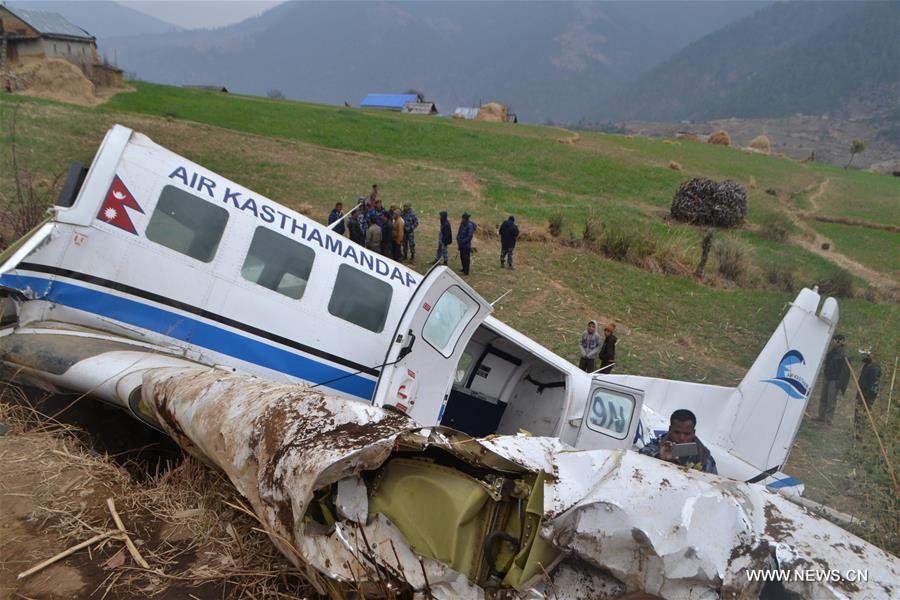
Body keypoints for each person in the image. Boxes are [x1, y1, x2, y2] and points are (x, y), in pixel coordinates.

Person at [639, 409, 718, 474]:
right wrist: (659, 456)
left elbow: (714, 485)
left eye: (687, 434)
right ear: (670, 430)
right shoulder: (657, 446)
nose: (681, 438)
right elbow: (638, 458)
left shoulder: (704, 457)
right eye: (677, 432)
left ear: (693, 433)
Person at [816, 334, 848, 424]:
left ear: (839, 342)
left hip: (835, 380)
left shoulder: (843, 354)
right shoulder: (831, 352)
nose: (832, 342)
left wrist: (839, 383)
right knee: (823, 397)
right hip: (827, 377)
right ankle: (821, 416)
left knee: (831, 399)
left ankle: (829, 418)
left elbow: (844, 371)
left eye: (834, 340)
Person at [853, 348, 881, 439]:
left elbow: (874, 386)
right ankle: (855, 432)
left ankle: (859, 434)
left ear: (872, 356)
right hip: (860, 394)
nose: (865, 357)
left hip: (867, 397)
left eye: (867, 355)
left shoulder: (875, 369)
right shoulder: (866, 365)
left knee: (862, 414)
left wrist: (867, 396)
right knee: (857, 413)